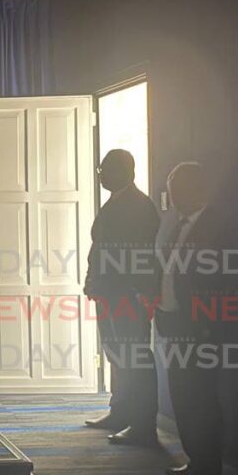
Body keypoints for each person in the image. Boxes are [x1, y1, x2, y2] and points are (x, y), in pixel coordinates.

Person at [151, 162, 225, 475]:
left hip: (198, 332)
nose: (174, 194)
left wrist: (204, 328)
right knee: (183, 399)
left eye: (179, 187)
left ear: (198, 188)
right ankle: (197, 465)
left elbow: (218, 283)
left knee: (200, 404)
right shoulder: (176, 224)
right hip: (174, 324)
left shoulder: (216, 227)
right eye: (171, 186)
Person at [83, 149, 161, 446]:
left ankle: (143, 426)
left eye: (105, 169)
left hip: (128, 295)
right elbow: (100, 247)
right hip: (109, 292)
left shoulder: (139, 206)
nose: (100, 174)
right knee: (117, 354)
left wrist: (134, 291)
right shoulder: (115, 202)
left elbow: (138, 255)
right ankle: (121, 412)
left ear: (125, 170)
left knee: (135, 358)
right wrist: (94, 281)